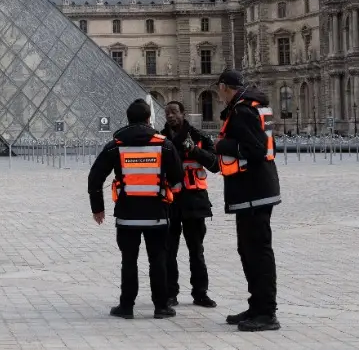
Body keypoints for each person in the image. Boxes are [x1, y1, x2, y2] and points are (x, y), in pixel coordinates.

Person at [88, 98, 183, 320]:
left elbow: (95, 177)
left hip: (127, 215)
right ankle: (161, 307)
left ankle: (127, 306)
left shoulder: (116, 145)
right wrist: (171, 197)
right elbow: (178, 180)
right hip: (157, 214)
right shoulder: (164, 144)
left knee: (128, 261)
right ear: (149, 119)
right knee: (158, 260)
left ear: (128, 119)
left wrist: (98, 208)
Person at [213, 70, 281, 332]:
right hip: (255, 190)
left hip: (253, 191)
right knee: (248, 250)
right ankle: (257, 305)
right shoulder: (254, 106)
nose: (219, 95)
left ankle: (266, 312)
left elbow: (256, 149)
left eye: (219, 90)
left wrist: (222, 146)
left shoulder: (242, 111)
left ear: (224, 87)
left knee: (257, 252)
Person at [161, 100, 220, 308]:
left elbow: (215, 165)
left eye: (174, 112)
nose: (170, 116)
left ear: (183, 113)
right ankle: (170, 293)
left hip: (195, 202)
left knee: (196, 250)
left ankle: (200, 293)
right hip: (170, 202)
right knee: (169, 251)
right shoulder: (160, 139)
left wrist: (195, 151)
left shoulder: (198, 137)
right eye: (167, 112)